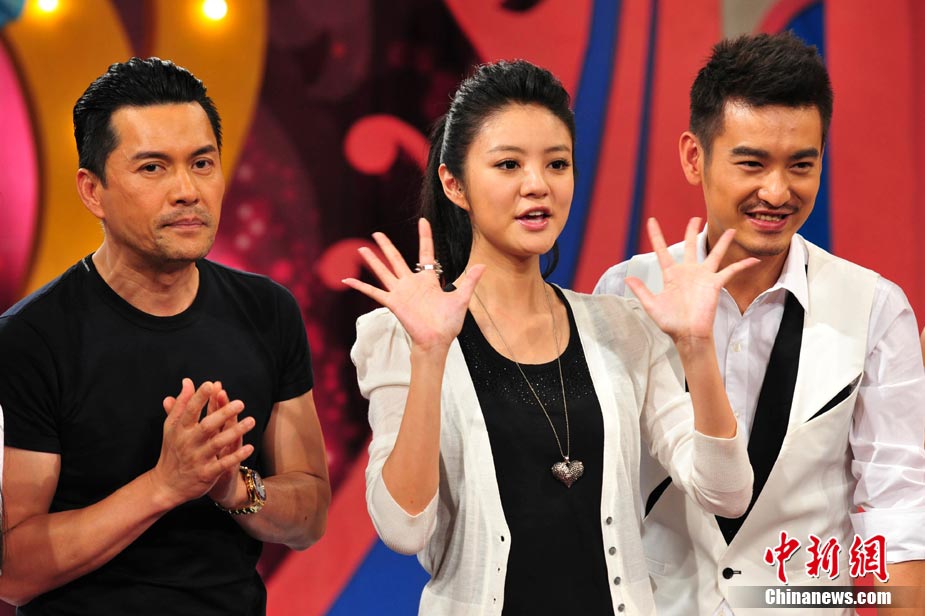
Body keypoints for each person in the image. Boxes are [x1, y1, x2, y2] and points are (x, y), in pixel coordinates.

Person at [346, 59, 756, 615]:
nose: (537, 185)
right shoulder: (403, 336)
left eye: (557, 164)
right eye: (508, 164)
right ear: (454, 184)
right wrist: (430, 354)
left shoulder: (621, 327)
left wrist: (697, 348)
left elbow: (726, 492)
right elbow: (403, 529)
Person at [596, 32, 925, 615]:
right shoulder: (625, 294)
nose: (777, 191)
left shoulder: (875, 308)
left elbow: (898, 511)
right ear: (694, 157)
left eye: (802, 165)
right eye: (751, 163)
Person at [0, 58, 330, 615]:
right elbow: (13, 572)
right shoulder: (29, 340)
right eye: (153, 168)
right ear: (93, 191)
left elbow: (310, 516)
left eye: (202, 163)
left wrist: (236, 489)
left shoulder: (267, 311)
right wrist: (165, 484)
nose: (187, 191)